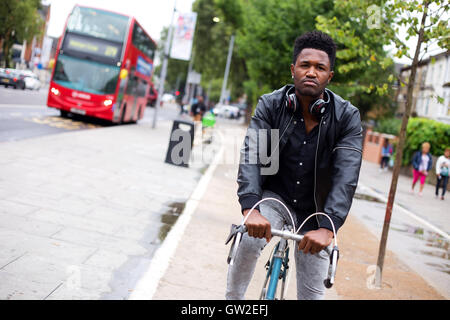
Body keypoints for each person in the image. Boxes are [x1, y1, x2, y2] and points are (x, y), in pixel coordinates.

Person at [226, 31, 363, 300]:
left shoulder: (347, 117)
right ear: (293, 70)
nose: (311, 72)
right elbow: (253, 155)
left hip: (317, 211)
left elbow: (346, 175)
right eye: (305, 65)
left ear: (329, 76)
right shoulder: (271, 104)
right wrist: (250, 207)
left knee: (312, 295)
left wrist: (328, 226)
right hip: (274, 197)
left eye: (320, 68)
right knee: (248, 241)